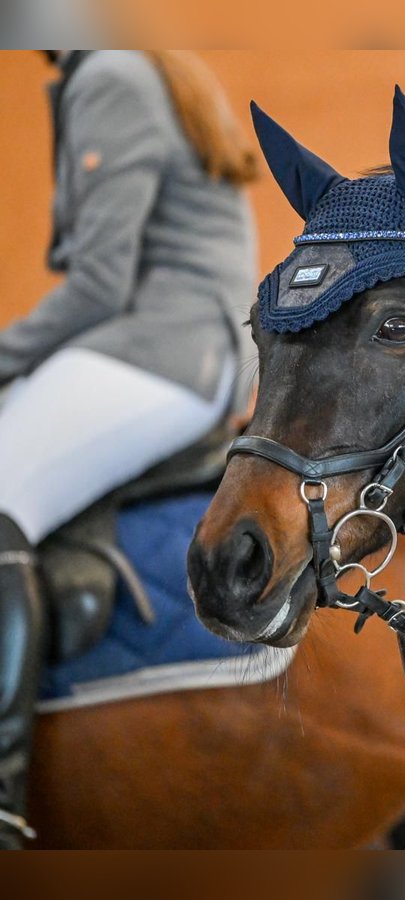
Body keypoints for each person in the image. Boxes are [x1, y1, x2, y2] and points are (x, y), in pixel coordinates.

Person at [0, 50, 257, 848]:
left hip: (158, 349)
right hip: (197, 354)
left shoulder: (111, 74)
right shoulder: (151, 67)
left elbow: (99, 286)